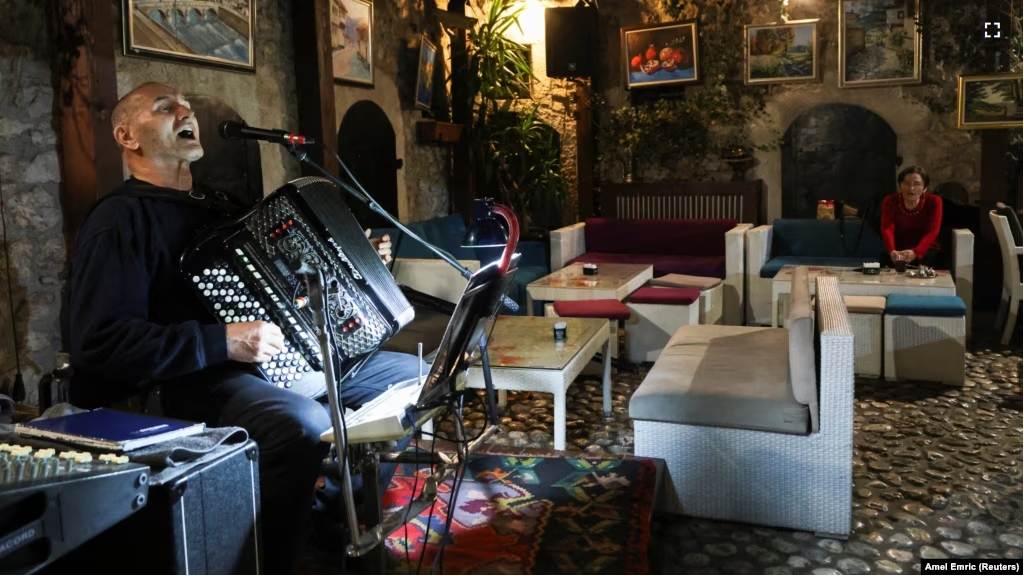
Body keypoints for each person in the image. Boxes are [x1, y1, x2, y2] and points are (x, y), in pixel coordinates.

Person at [66, 82, 423, 573]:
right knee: (303, 426)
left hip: (280, 360)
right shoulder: (120, 220)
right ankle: (266, 560)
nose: (184, 110)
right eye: (164, 107)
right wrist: (222, 341)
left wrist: (357, 262)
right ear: (127, 136)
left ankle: (333, 525)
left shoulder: (221, 207)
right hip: (189, 380)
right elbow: (97, 342)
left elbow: (288, 283)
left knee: (413, 375)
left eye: (185, 103)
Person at [880, 165, 945, 269]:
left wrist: (916, 252)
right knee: (886, 262)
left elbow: (932, 231)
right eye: (906, 183)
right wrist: (892, 250)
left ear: (925, 188)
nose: (911, 188)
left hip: (926, 249)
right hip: (898, 249)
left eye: (917, 184)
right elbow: (887, 228)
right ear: (900, 186)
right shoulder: (890, 200)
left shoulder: (934, 201)